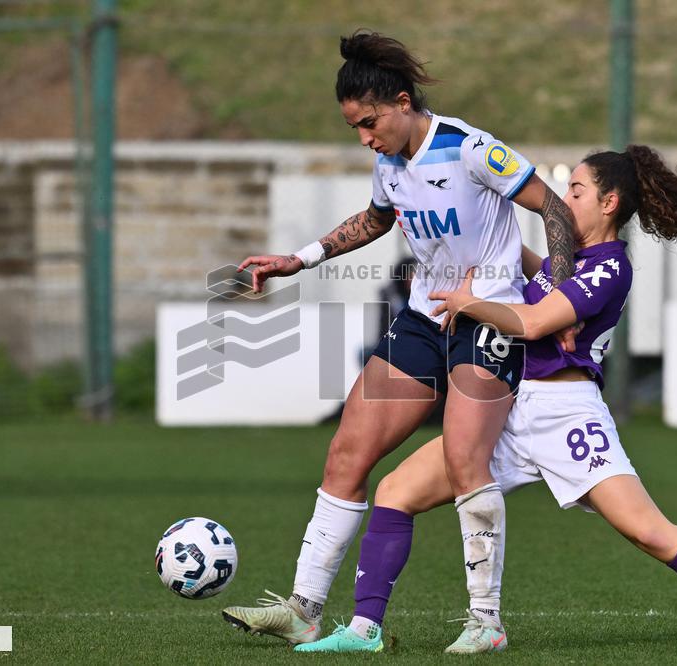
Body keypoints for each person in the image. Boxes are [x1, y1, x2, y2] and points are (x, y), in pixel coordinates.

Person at [294, 146, 677, 655]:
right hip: (509, 411)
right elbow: (520, 267)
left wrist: (470, 302)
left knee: (650, 532)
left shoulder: (609, 267)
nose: (564, 199)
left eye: (576, 191)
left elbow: (535, 322)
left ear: (609, 203)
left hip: (567, 417)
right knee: (395, 491)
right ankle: (364, 631)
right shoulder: (567, 262)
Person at [222, 30, 578, 644]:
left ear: (403, 102)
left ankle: (486, 621)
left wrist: (561, 303)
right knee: (346, 453)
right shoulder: (389, 162)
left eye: (369, 123)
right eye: (356, 128)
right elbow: (376, 220)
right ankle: (305, 609)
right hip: (421, 321)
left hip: (485, 320)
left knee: (466, 460)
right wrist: (297, 259)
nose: (365, 138)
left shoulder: (469, 149)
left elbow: (556, 210)